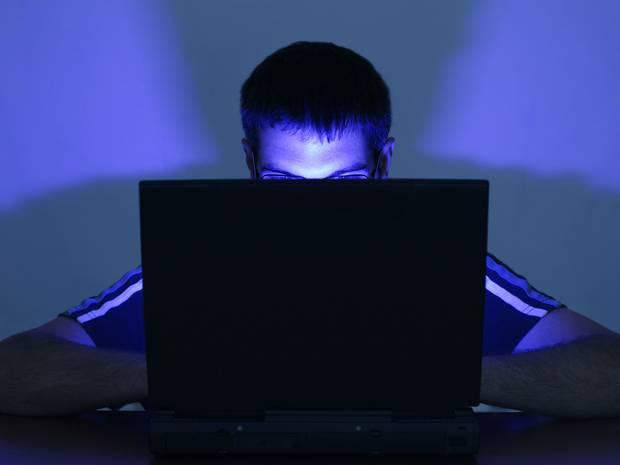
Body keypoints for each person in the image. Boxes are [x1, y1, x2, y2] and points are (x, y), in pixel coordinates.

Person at [1, 42, 619, 418]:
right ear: (251, 164)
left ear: (383, 164)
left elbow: (611, 369)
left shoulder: (447, 269)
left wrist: (434, 373)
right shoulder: (189, 271)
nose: (317, 214)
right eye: (285, 183)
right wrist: (191, 371)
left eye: (344, 183)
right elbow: (13, 370)